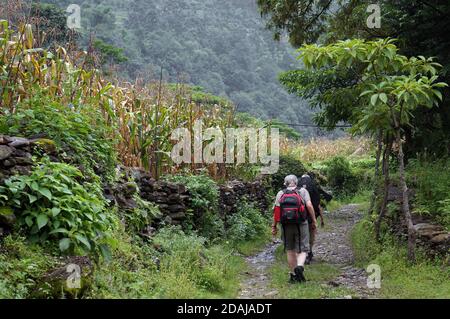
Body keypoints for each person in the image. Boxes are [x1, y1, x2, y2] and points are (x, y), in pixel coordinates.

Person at [272, 175, 318, 283]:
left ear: (285, 183)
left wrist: (274, 226)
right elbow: (310, 205)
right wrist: (314, 220)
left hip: (286, 225)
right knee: (303, 248)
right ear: (296, 182)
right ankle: (300, 266)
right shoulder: (303, 191)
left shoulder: (280, 193)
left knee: (290, 249)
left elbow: (276, 211)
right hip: (301, 223)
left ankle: (294, 275)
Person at [298, 174, 324, 265]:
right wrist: (318, 219)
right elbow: (317, 205)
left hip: (298, 216)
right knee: (311, 235)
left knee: (301, 235)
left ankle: (300, 254)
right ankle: (309, 252)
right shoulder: (313, 187)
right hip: (310, 215)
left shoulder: (296, 188)